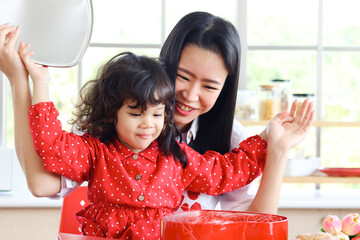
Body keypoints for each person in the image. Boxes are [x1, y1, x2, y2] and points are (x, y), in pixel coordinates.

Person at [0, 11, 314, 215]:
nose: (190, 96)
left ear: (225, 89)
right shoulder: (117, 124)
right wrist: (20, 80)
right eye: (183, 76)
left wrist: (277, 147)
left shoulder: (223, 142)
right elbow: (42, 182)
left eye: (209, 86)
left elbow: (256, 225)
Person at [21, 41, 272, 238]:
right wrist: (40, 82)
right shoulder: (95, 151)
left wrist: (266, 139)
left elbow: (224, 172)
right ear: (111, 112)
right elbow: (52, 145)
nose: (147, 124)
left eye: (157, 114)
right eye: (135, 113)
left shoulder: (176, 157)